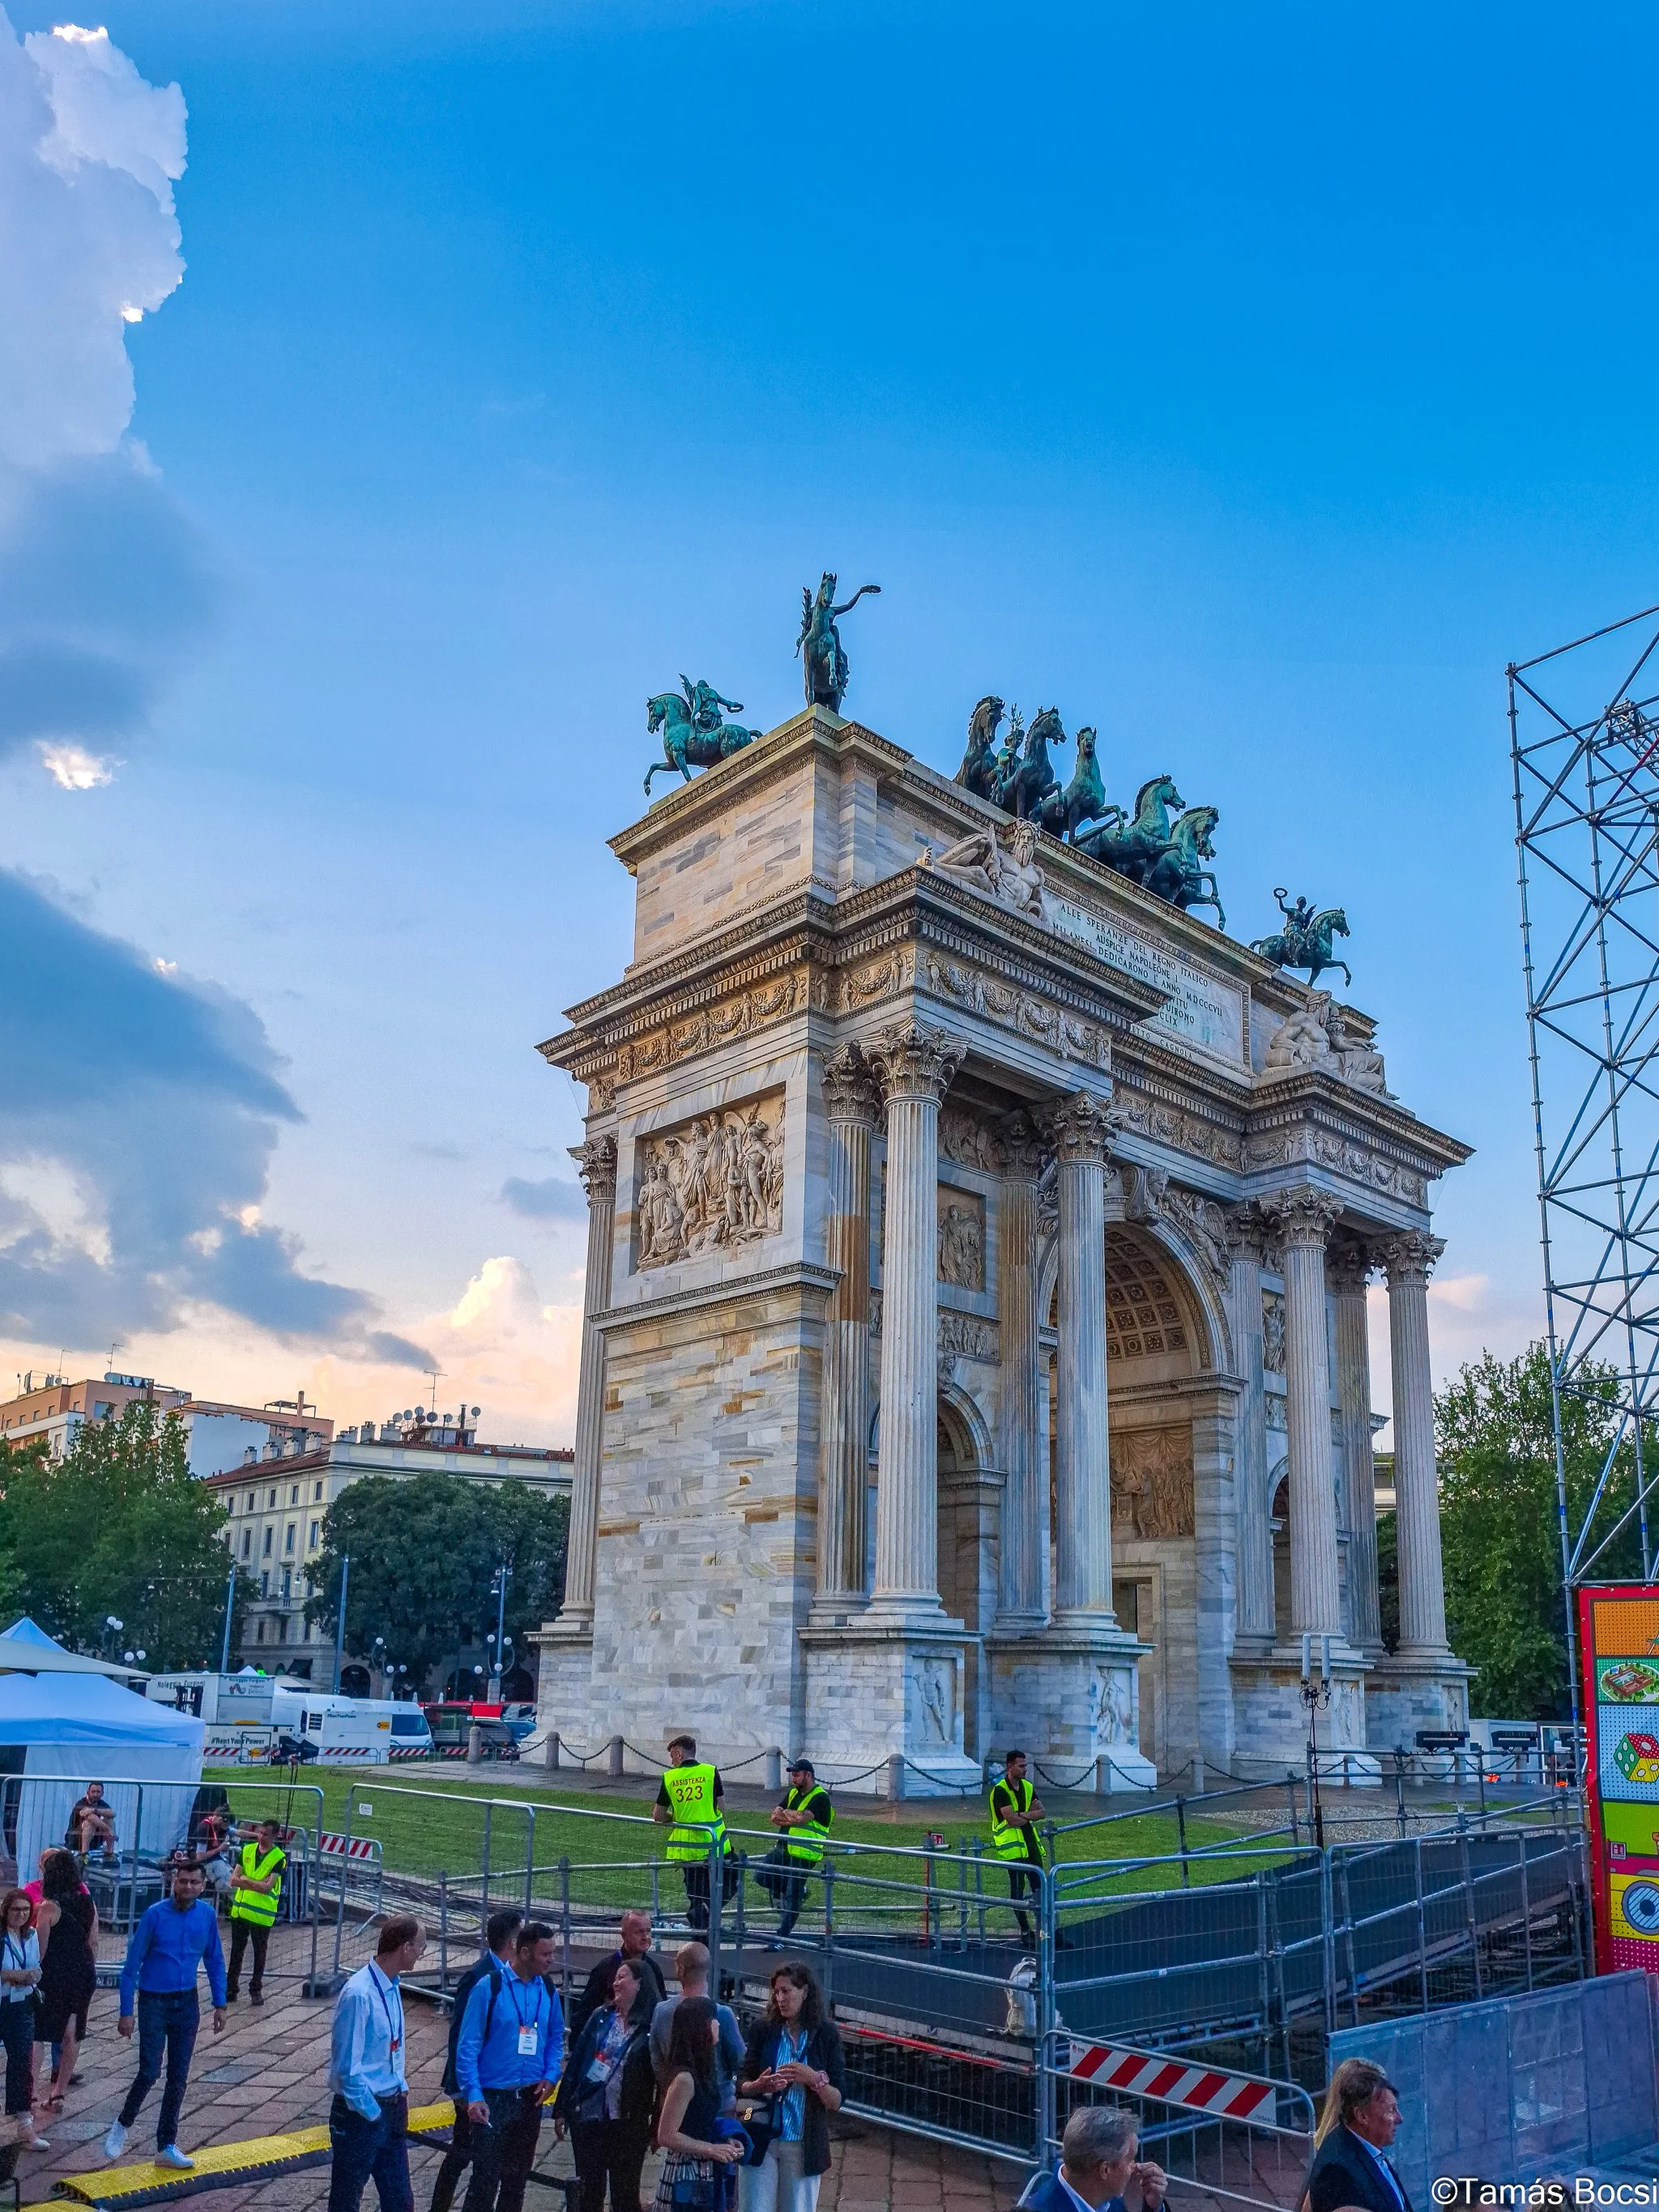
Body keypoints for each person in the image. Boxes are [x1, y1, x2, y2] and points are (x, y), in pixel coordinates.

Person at [104, 1856, 227, 2170]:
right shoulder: (154, 1915)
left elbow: (214, 1960)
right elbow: (131, 1965)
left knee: (179, 2076)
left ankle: (166, 2144)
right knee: (149, 2070)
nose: (187, 1887)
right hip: (153, 1999)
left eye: (194, 1882)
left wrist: (220, 2002)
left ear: (203, 1885)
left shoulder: (207, 1915)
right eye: (182, 1881)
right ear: (174, 1882)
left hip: (186, 2001)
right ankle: (123, 2123)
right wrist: (125, 2011)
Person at [454, 1919, 564, 2212]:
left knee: (516, 2182)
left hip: (529, 2099)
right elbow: (468, 2045)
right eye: (545, 1954)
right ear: (525, 1953)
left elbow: (555, 2038)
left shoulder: (549, 1989)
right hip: (494, 2097)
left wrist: (552, 2073)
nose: (551, 1960)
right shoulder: (488, 1987)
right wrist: (473, 2094)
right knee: (484, 2181)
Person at [328, 1914, 427, 2212]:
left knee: (399, 2200)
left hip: (391, 2106)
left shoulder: (391, 1985)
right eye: (421, 1946)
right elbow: (346, 2067)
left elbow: (389, 2047)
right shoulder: (359, 1994)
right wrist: (373, 2113)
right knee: (346, 2199)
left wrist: (400, 2086)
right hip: (362, 2114)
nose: (423, 1952)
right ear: (405, 1947)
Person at [430, 1907, 523, 2212]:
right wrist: (460, 2090)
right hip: (474, 2087)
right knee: (461, 2152)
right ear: (511, 1943)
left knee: (473, 2154)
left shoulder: (507, 1974)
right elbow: (461, 2033)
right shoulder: (479, 1977)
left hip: (491, 2084)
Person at [735, 1964, 844, 2212]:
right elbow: (742, 2081)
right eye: (776, 1993)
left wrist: (814, 2079)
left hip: (801, 2144)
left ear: (804, 1992)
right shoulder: (764, 2029)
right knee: (753, 2207)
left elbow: (837, 2100)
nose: (780, 1999)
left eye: (786, 1991)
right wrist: (757, 2085)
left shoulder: (826, 2035)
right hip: (761, 2134)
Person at [552, 1956, 655, 2212]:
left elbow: (661, 2079)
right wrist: (562, 2108)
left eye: (622, 1977)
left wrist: (658, 2125)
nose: (615, 1983)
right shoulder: (601, 2016)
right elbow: (577, 2063)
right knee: (589, 2194)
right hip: (589, 2119)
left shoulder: (652, 2027)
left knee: (625, 2196)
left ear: (640, 1985)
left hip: (628, 2124)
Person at [654, 1999, 744, 2212]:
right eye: (714, 2020)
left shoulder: (703, 2070)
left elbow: (700, 2122)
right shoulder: (684, 2079)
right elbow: (666, 2135)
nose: (718, 2025)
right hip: (684, 2173)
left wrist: (725, 2142)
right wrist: (712, 2149)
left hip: (703, 2170)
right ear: (702, 2026)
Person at [35, 1848, 97, 2121]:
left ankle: (30, 2092)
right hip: (82, 1970)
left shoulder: (47, 1908)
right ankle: (59, 2092)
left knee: (38, 2033)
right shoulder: (88, 1903)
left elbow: (41, 1949)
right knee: (72, 2032)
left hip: (55, 1973)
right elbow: (93, 1941)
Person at [1303, 2060, 1413, 2212]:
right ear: (1362, 2116)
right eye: (1391, 2110)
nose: (1399, 2118)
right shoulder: (1337, 2170)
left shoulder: (1365, 2146)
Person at [1014, 2105, 1167, 2212]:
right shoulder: (1041, 2208)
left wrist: (1153, 2207)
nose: (1135, 2167)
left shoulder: (1105, 2199)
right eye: (1129, 2159)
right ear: (1105, 2170)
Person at [653, 1738, 732, 1935]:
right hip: (716, 1845)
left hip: (689, 1850)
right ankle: (707, 1923)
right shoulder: (710, 1772)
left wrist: (677, 1816)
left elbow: (658, 1816)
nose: (671, 1761)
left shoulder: (670, 1778)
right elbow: (721, 1807)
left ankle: (701, 1941)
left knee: (697, 1897)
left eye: (672, 1756)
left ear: (679, 1753)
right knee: (730, 1880)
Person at [650, 1944, 744, 2109]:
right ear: (708, 1968)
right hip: (720, 2108)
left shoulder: (662, 2011)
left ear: (681, 1969)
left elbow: (657, 2061)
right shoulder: (723, 2014)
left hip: (676, 2107)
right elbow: (740, 2060)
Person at [570, 1912, 665, 2039]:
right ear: (624, 1936)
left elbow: (661, 2008)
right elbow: (584, 2013)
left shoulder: (653, 1969)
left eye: (648, 1931)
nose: (645, 1937)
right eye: (638, 1932)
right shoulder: (606, 1968)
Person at [767, 1762, 833, 1942]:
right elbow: (774, 1816)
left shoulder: (820, 1797)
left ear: (809, 1776)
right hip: (783, 1848)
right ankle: (800, 1892)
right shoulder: (793, 1793)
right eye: (793, 1775)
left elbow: (802, 1818)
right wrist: (792, 1817)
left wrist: (787, 1813)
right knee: (761, 1875)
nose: (793, 1778)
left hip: (803, 1854)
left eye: (797, 1775)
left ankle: (782, 1937)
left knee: (791, 1896)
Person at [988, 1750, 1047, 1946]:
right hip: (1013, 1851)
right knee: (1017, 1892)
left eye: (1026, 1766)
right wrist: (1027, 1814)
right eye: (1021, 1766)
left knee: (1040, 1890)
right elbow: (1011, 1820)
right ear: (1009, 1766)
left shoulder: (1028, 1787)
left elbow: (1041, 1813)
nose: (1025, 1769)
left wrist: (1022, 1814)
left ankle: (1043, 1931)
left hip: (1031, 1847)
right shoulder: (1000, 1790)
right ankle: (1025, 1930)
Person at [225, 1819, 287, 2006]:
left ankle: (256, 1989)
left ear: (275, 1836)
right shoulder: (247, 1850)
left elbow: (267, 1888)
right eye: (259, 1833)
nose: (261, 1837)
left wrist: (245, 1880)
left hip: (261, 1914)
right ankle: (231, 1989)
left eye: (266, 1834)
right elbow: (233, 1880)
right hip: (240, 1911)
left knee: (259, 1953)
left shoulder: (279, 1858)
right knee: (236, 1951)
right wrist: (252, 1883)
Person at [0, 1890, 43, 2154]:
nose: (21, 1914)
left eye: (25, 1910)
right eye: (16, 1909)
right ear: (6, 1910)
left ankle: (26, 2125)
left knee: (22, 2062)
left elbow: (36, 1968)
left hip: (21, 2005)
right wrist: (17, 1975)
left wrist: (25, 1976)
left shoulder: (31, 1935)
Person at [65, 1783, 117, 1859]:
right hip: (76, 1840)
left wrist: (95, 1810)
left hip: (95, 1840)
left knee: (109, 1820)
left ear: (102, 1793)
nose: (95, 1794)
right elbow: (91, 1817)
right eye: (93, 1791)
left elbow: (112, 1814)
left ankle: (110, 1853)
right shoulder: (81, 1803)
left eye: (98, 1792)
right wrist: (108, 1830)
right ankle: (84, 1854)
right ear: (88, 1792)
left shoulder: (102, 1804)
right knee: (89, 1823)